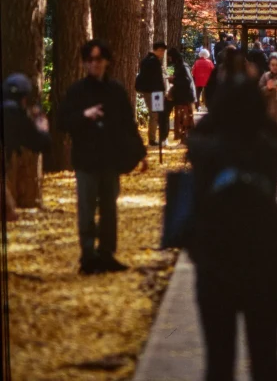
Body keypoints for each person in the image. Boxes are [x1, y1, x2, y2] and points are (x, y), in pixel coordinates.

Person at [187, 76, 277, 381]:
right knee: (266, 358)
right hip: (265, 260)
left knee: (218, 361)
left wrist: (215, 114)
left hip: (214, 260)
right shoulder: (267, 152)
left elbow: (195, 138)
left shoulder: (206, 151)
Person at [59, 39, 148, 275]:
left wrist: (141, 153)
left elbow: (128, 123)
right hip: (86, 160)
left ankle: (107, 254)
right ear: (84, 63)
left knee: (109, 209)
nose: (94, 64)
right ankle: (88, 257)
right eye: (89, 60)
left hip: (110, 160)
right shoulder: (76, 91)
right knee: (87, 209)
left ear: (106, 61)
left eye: (98, 59)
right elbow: (62, 121)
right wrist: (84, 115)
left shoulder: (116, 90)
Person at [1, 74, 52, 221]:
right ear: (24, 98)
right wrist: (41, 126)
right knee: (9, 213)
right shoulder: (14, 114)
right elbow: (40, 143)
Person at [136, 41, 167, 146]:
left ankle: (153, 137)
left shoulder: (147, 60)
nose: (163, 53)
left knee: (155, 114)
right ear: (158, 50)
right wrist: (162, 91)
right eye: (162, 51)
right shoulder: (153, 62)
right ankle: (152, 139)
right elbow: (156, 79)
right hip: (154, 92)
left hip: (151, 91)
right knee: (155, 114)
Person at [168, 49, 197, 142]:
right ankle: (182, 136)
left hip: (185, 97)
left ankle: (185, 137)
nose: (168, 59)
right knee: (181, 117)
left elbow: (187, 81)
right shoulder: (179, 66)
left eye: (169, 57)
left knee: (185, 117)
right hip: (181, 96)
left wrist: (174, 80)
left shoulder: (183, 67)